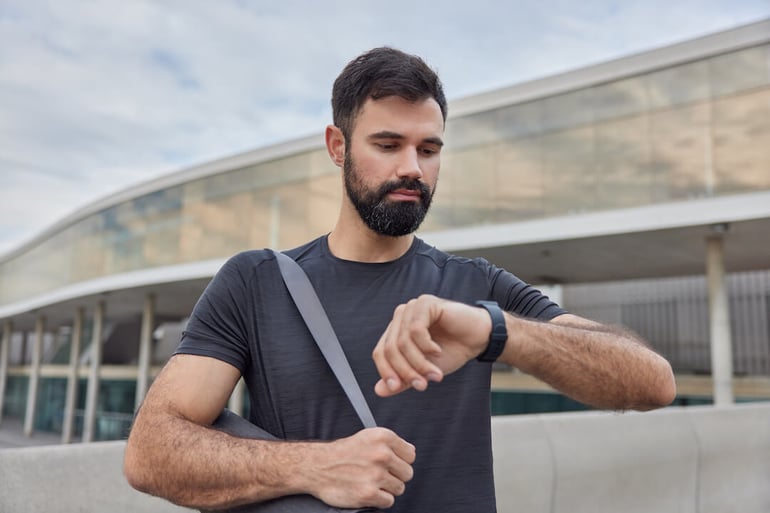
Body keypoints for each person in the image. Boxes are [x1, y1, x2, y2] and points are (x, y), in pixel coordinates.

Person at [124, 47, 676, 512]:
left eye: (429, 149)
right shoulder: (256, 282)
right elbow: (150, 452)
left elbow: (653, 383)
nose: (412, 166)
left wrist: (496, 332)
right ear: (338, 147)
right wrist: (314, 466)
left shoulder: (476, 286)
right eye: (388, 145)